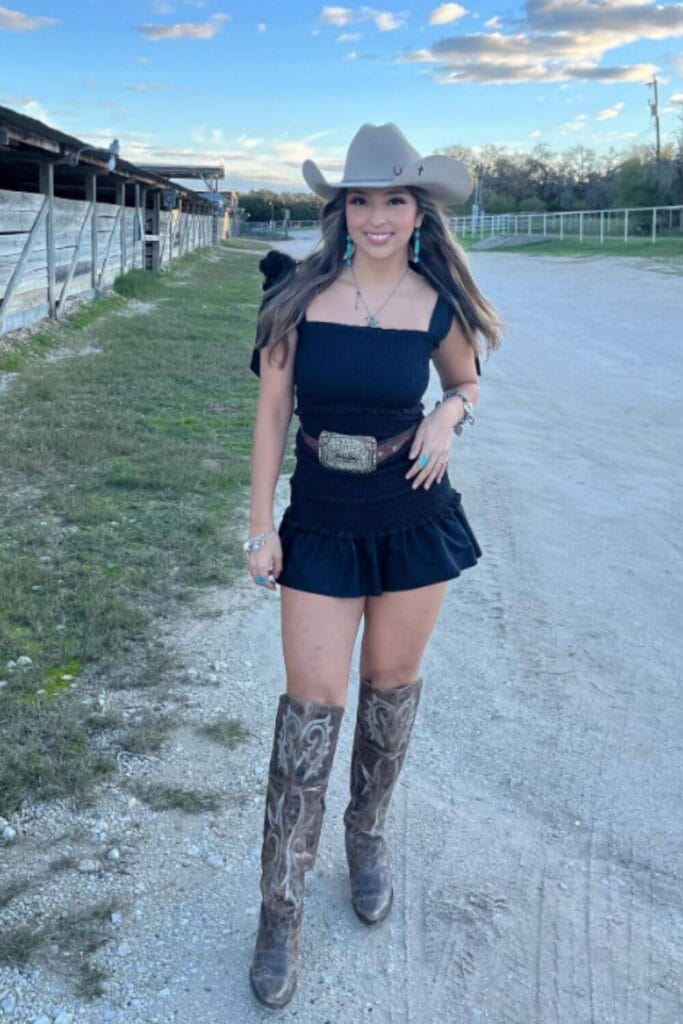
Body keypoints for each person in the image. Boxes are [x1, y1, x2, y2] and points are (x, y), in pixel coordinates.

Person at [244, 122, 504, 1009]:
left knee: (390, 692)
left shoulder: (437, 304)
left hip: (410, 519)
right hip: (321, 522)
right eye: (361, 200)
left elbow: (466, 383)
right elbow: (271, 414)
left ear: (418, 210)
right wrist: (260, 526)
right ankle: (279, 910)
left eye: (394, 199)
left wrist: (446, 416)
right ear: (341, 210)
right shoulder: (293, 295)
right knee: (309, 710)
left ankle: (365, 837)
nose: (378, 216)